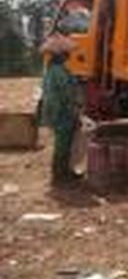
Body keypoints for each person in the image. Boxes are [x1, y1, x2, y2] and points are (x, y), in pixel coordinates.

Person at [40, 34, 82, 186]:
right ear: (60, 54)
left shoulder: (54, 69)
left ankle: (65, 173)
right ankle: (59, 177)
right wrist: (75, 111)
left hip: (60, 112)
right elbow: (66, 94)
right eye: (66, 52)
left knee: (65, 145)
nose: (69, 54)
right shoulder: (58, 70)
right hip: (62, 113)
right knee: (62, 146)